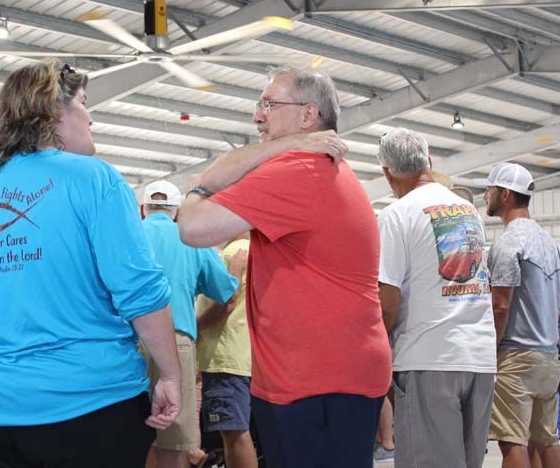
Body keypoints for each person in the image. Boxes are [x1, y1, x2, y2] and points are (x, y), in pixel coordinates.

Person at [0, 61, 182, 468]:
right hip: (87, 404)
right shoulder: (95, 179)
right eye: (84, 103)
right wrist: (172, 376)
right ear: (55, 112)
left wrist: (5, 383)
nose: (90, 116)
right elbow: (141, 293)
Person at [177, 65, 392, 468]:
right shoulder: (312, 169)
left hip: (319, 381)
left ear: (308, 115)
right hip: (316, 377)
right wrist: (279, 146)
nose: (258, 115)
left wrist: (199, 186)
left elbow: (191, 226)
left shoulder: (299, 172)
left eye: (269, 104)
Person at [377, 128, 496, 468]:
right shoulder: (467, 210)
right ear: (428, 161)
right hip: (479, 358)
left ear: (388, 173)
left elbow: (389, 302)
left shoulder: (397, 215)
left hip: (429, 358)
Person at [140, 180, 238, 468]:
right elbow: (225, 293)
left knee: (130, 434)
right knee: (175, 440)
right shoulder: (189, 238)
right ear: (177, 211)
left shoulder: (128, 234)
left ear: (143, 209)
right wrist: (198, 323)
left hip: (126, 343)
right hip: (176, 341)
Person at [484, 162, 560, 468]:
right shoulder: (548, 242)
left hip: (517, 357)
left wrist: (490, 350)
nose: (485, 195)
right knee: (546, 440)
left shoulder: (508, 242)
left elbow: (500, 305)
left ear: (504, 194)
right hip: (548, 356)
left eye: (489, 190)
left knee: (512, 442)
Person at [196, 233, 258, 468]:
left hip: (225, 355)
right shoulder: (256, 252)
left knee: (234, 433)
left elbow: (225, 303)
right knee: (236, 433)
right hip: (243, 354)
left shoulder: (234, 254)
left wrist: (192, 327)